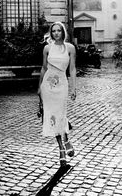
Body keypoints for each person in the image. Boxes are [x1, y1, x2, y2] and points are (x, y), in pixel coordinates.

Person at [38, 21, 77, 167]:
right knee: (52, 115)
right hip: (48, 85)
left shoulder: (70, 48)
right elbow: (43, 68)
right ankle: (61, 148)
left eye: (58, 30)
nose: (56, 33)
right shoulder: (47, 48)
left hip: (62, 84)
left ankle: (66, 139)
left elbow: (72, 70)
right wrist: (39, 88)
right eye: (53, 31)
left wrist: (73, 88)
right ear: (51, 33)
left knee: (61, 114)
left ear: (63, 32)